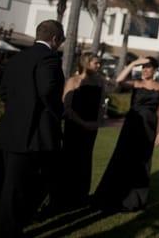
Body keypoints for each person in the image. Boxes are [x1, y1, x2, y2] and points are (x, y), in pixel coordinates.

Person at [0, 20, 65, 237]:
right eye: (61, 41)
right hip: (33, 134)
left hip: (10, 128)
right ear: (55, 39)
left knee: (1, 183)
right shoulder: (49, 58)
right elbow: (48, 89)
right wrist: (58, 111)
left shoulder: (18, 57)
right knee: (21, 187)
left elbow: (3, 90)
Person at [92, 56, 159, 212]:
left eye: (148, 67)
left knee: (143, 161)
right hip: (131, 126)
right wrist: (133, 63)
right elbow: (118, 81)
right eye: (143, 67)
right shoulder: (135, 83)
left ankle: (136, 200)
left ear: (154, 70)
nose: (145, 70)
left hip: (149, 128)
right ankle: (115, 195)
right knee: (123, 158)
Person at [54, 52, 105, 210]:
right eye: (95, 63)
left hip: (91, 129)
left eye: (99, 63)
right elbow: (66, 107)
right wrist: (83, 123)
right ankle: (62, 197)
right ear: (85, 63)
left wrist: (97, 122)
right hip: (74, 127)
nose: (99, 66)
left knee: (85, 161)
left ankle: (80, 196)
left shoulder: (99, 83)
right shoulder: (73, 81)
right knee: (69, 160)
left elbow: (101, 106)